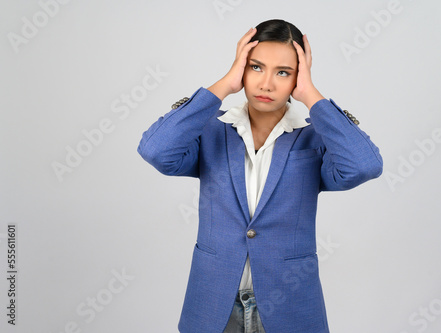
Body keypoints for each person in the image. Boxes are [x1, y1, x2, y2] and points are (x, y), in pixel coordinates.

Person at [138, 19, 383, 333]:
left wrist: (311, 96)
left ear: (299, 76)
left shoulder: (314, 138)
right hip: (213, 305)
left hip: (288, 306)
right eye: (256, 67)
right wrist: (225, 84)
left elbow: (364, 165)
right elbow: (156, 150)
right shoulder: (211, 130)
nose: (267, 83)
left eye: (283, 72)